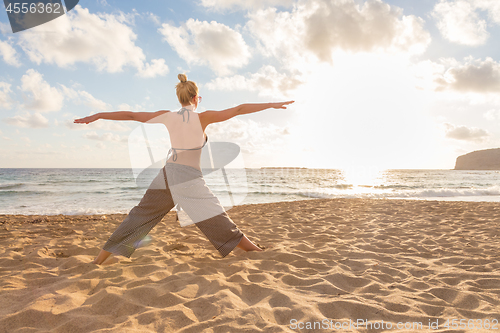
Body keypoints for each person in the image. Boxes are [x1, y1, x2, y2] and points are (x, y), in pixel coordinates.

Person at [74, 73, 294, 265]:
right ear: (196, 98)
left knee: (140, 216)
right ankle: (254, 250)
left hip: (167, 173)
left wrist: (98, 115)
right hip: (187, 176)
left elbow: (132, 115)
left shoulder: (168, 116)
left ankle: (99, 259)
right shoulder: (202, 117)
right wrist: (271, 104)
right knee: (214, 216)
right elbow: (238, 109)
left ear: (179, 98)